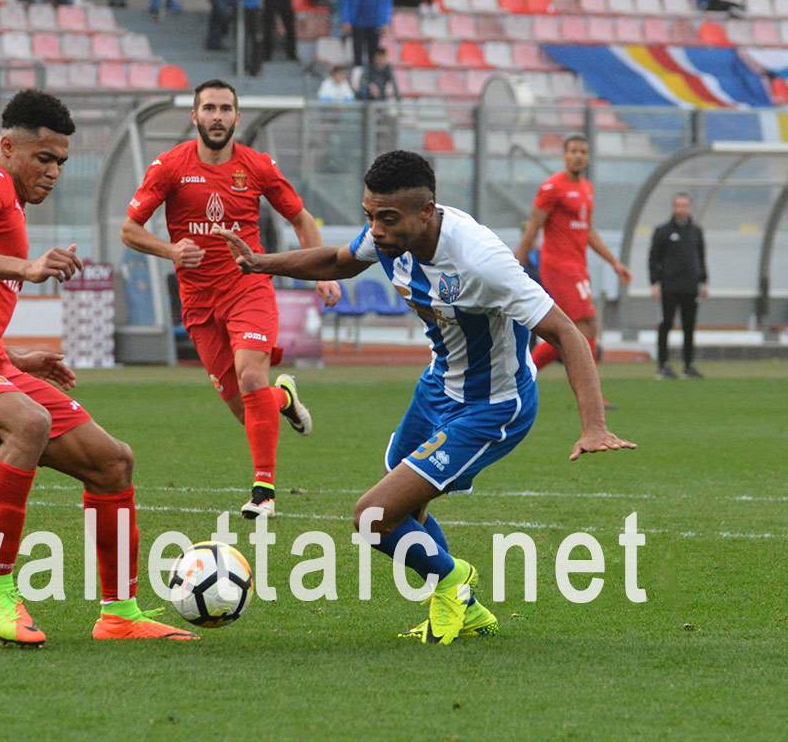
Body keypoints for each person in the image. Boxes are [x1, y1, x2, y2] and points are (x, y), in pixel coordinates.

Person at [219, 150, 636, 644]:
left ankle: (453, 579)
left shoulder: (483, 262)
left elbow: (567, 332)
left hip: (493, 407)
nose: (375, 229)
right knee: (403, 506)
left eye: (386, 218)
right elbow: (337, 260)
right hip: (437, 385)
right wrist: (260, 263)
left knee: (373, 517)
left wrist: (592, 425)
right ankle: (467, 606)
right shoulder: (391, 235)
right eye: (368, 215)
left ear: (426, 211)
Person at [0, 90, 197, 645]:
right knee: (27, 423)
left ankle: (120, 614)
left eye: (61, 161)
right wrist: (28, 267)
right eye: (44, 158)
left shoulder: (10, 202)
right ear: (8, 146)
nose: (55, 171)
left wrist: (18, 359)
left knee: (113, 463)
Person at [121, 79, 341, 519]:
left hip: (249, 286)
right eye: (209, 109)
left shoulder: (257, 166)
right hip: (199, 301)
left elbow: (299, 217)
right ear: (195, 116)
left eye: (225, 109)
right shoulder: (168, 167)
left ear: (237, 118)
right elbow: (129, 229)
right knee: (248, 410)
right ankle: (283, 399)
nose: (217, 116)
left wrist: (323, 272)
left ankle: (263, 493)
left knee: (249, 374)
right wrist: (171, 250)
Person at [513, 136, 631, 386]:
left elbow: (588, 231)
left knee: (573, 330)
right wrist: (514, 265)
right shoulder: (552, 187)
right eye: (573, 151)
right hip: (558, 266)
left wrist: (614, 262)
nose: (578, 156)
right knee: (585, 324)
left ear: (588, 157)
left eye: (583, 152)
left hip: (577, 267)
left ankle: (518, 380)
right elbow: (533, 226)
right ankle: (591, 394)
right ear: (564, 156)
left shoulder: (586, 188)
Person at [649, 193, 707, 380]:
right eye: (678, 205)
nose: (681, 209)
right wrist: (654, 283)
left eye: (685, 206)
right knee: (666, 324)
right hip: (669, 285)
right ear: (673, 208)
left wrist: (704, 281)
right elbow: (653, 259)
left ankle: (688, 365)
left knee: (689, 326)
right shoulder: (663, 231)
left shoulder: (695, 231)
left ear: (689, 208)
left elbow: (701, 258)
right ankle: (663, 365)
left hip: (690, 286)